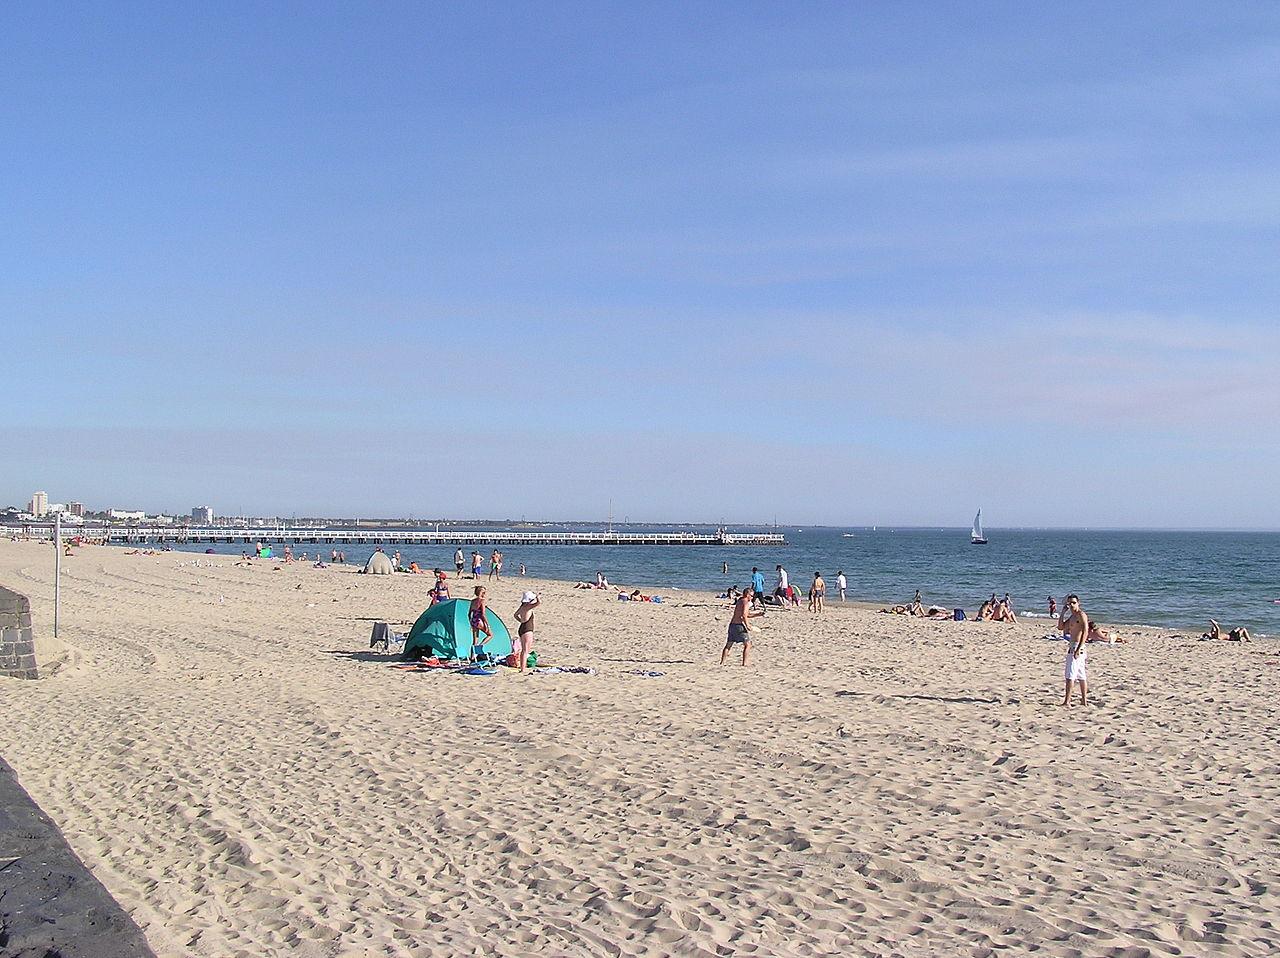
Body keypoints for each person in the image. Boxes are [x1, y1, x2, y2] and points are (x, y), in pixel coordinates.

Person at [1059, 594, 1090, 706]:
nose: (1071, 605)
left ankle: (1067, 701)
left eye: (1073, 603)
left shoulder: (1081, 615)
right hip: (1073, 645)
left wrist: (1078, 648)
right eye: (1070, 603)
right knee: (1081, 675)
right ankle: (1083, 701)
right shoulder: (1072, 617)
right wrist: (1062, 612)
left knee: (1070, 676)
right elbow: (1061, 627)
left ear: (1078, 603)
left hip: (1077, 647)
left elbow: (1085, 631)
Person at [721, 587, 764, 666]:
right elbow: (744, 615)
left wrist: (758, 614)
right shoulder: (745, 602)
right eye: (751, 596)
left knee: (729, 644)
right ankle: (745, 663)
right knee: (748, 644)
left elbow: (746, 614)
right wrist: (748, 625)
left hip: (732, 625)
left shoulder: (740, 601)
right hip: (738, 626)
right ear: (747, 594)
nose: (752, 597)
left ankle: (722, 662)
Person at [513, 591, 540, 674]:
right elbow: (539, 603)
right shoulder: (528, 606)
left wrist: (521, 621)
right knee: (525, 650)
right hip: (527, 629)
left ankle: (522, 667)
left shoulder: (522, 607)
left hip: (522, 627)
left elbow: (515, 615)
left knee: (524, 650)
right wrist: (538, 597)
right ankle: (523, 669)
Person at [469, 586, 493, 660]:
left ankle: (472, 657)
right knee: (490, 635)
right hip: (479, 620)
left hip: (473, 620)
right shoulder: (482, 601)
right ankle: (479, 647)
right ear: (482, 593)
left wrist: (470, 621)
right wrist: (487, 624)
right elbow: (483, 614)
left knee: (475, 640)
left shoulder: (473, 601)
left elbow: (469, 613)